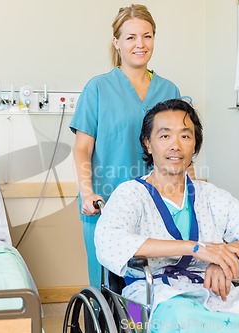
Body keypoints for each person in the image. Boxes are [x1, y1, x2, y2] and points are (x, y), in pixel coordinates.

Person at [95, 99, 239, 333]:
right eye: (164, 136)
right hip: (143, 301)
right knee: (183, 319)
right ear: (148, 144)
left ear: (195, 145)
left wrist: (222, 256)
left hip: (212, 288)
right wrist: (195, 248)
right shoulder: (130, 194)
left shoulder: (211, 196)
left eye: (185, 136)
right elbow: (110, 241)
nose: (175, 145)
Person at [70, 4, 182, 288]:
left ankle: (134, 327)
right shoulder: (97, 88)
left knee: (146, 288)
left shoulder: (169, 91)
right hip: (105, 204)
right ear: (117, 42)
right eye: (131, 37)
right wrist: (86, 193)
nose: (140, 44)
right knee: (108, 289)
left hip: (156, 206)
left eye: (147, 36)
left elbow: (179, 149)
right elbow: (82, 148)